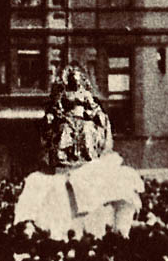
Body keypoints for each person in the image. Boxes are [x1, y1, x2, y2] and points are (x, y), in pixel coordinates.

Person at [13, 64, 144, 240]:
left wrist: (96, 115)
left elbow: (94, 108)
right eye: (72, 78)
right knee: (65, 132)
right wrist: (56, 115)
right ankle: (65, 155)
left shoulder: (85, 95)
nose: (74, 81)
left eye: (77, 79)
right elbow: (55, 106)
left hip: (84, 122)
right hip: (66, 121)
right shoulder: (63, 94)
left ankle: (85, 154)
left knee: (87, 130)